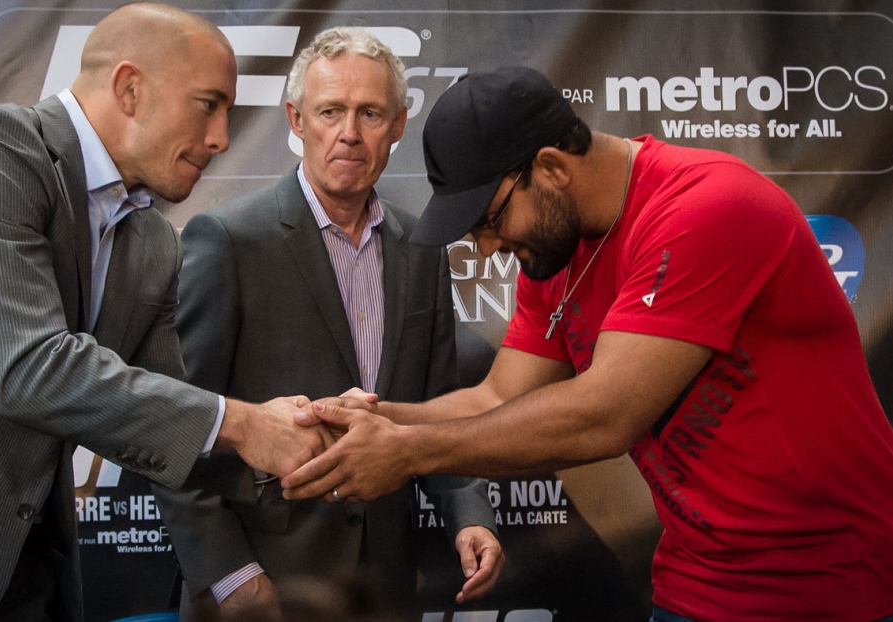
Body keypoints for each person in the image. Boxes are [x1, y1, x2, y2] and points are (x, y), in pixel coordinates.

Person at [281, 66, 893, 621]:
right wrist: (371, 420)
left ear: (550, 168)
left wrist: (409, 452)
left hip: (828, 588)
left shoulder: (706, 208)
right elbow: (494, 397)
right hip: (695, 584)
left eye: (489, 221)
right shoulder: (555, 253)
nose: (488, 248)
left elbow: (606, 415)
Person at [0, 5, 334, 621]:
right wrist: (246, 424)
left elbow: (164, 407)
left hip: (26, 564)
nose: (221, 138)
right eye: (208, 104)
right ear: (130, 88)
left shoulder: (150, 239)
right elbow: (28, 368)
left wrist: (310, 437)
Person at [152, 28, 503, 622]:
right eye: (330, 111)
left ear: (398, 122)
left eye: (369, 113)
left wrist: (469, 514)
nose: (349, 133)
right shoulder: (229, 240)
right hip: (262, 586)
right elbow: (175, 422)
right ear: (295, 119)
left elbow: (439, 403)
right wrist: (230, 575)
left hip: (385, 585)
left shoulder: (420, 247)